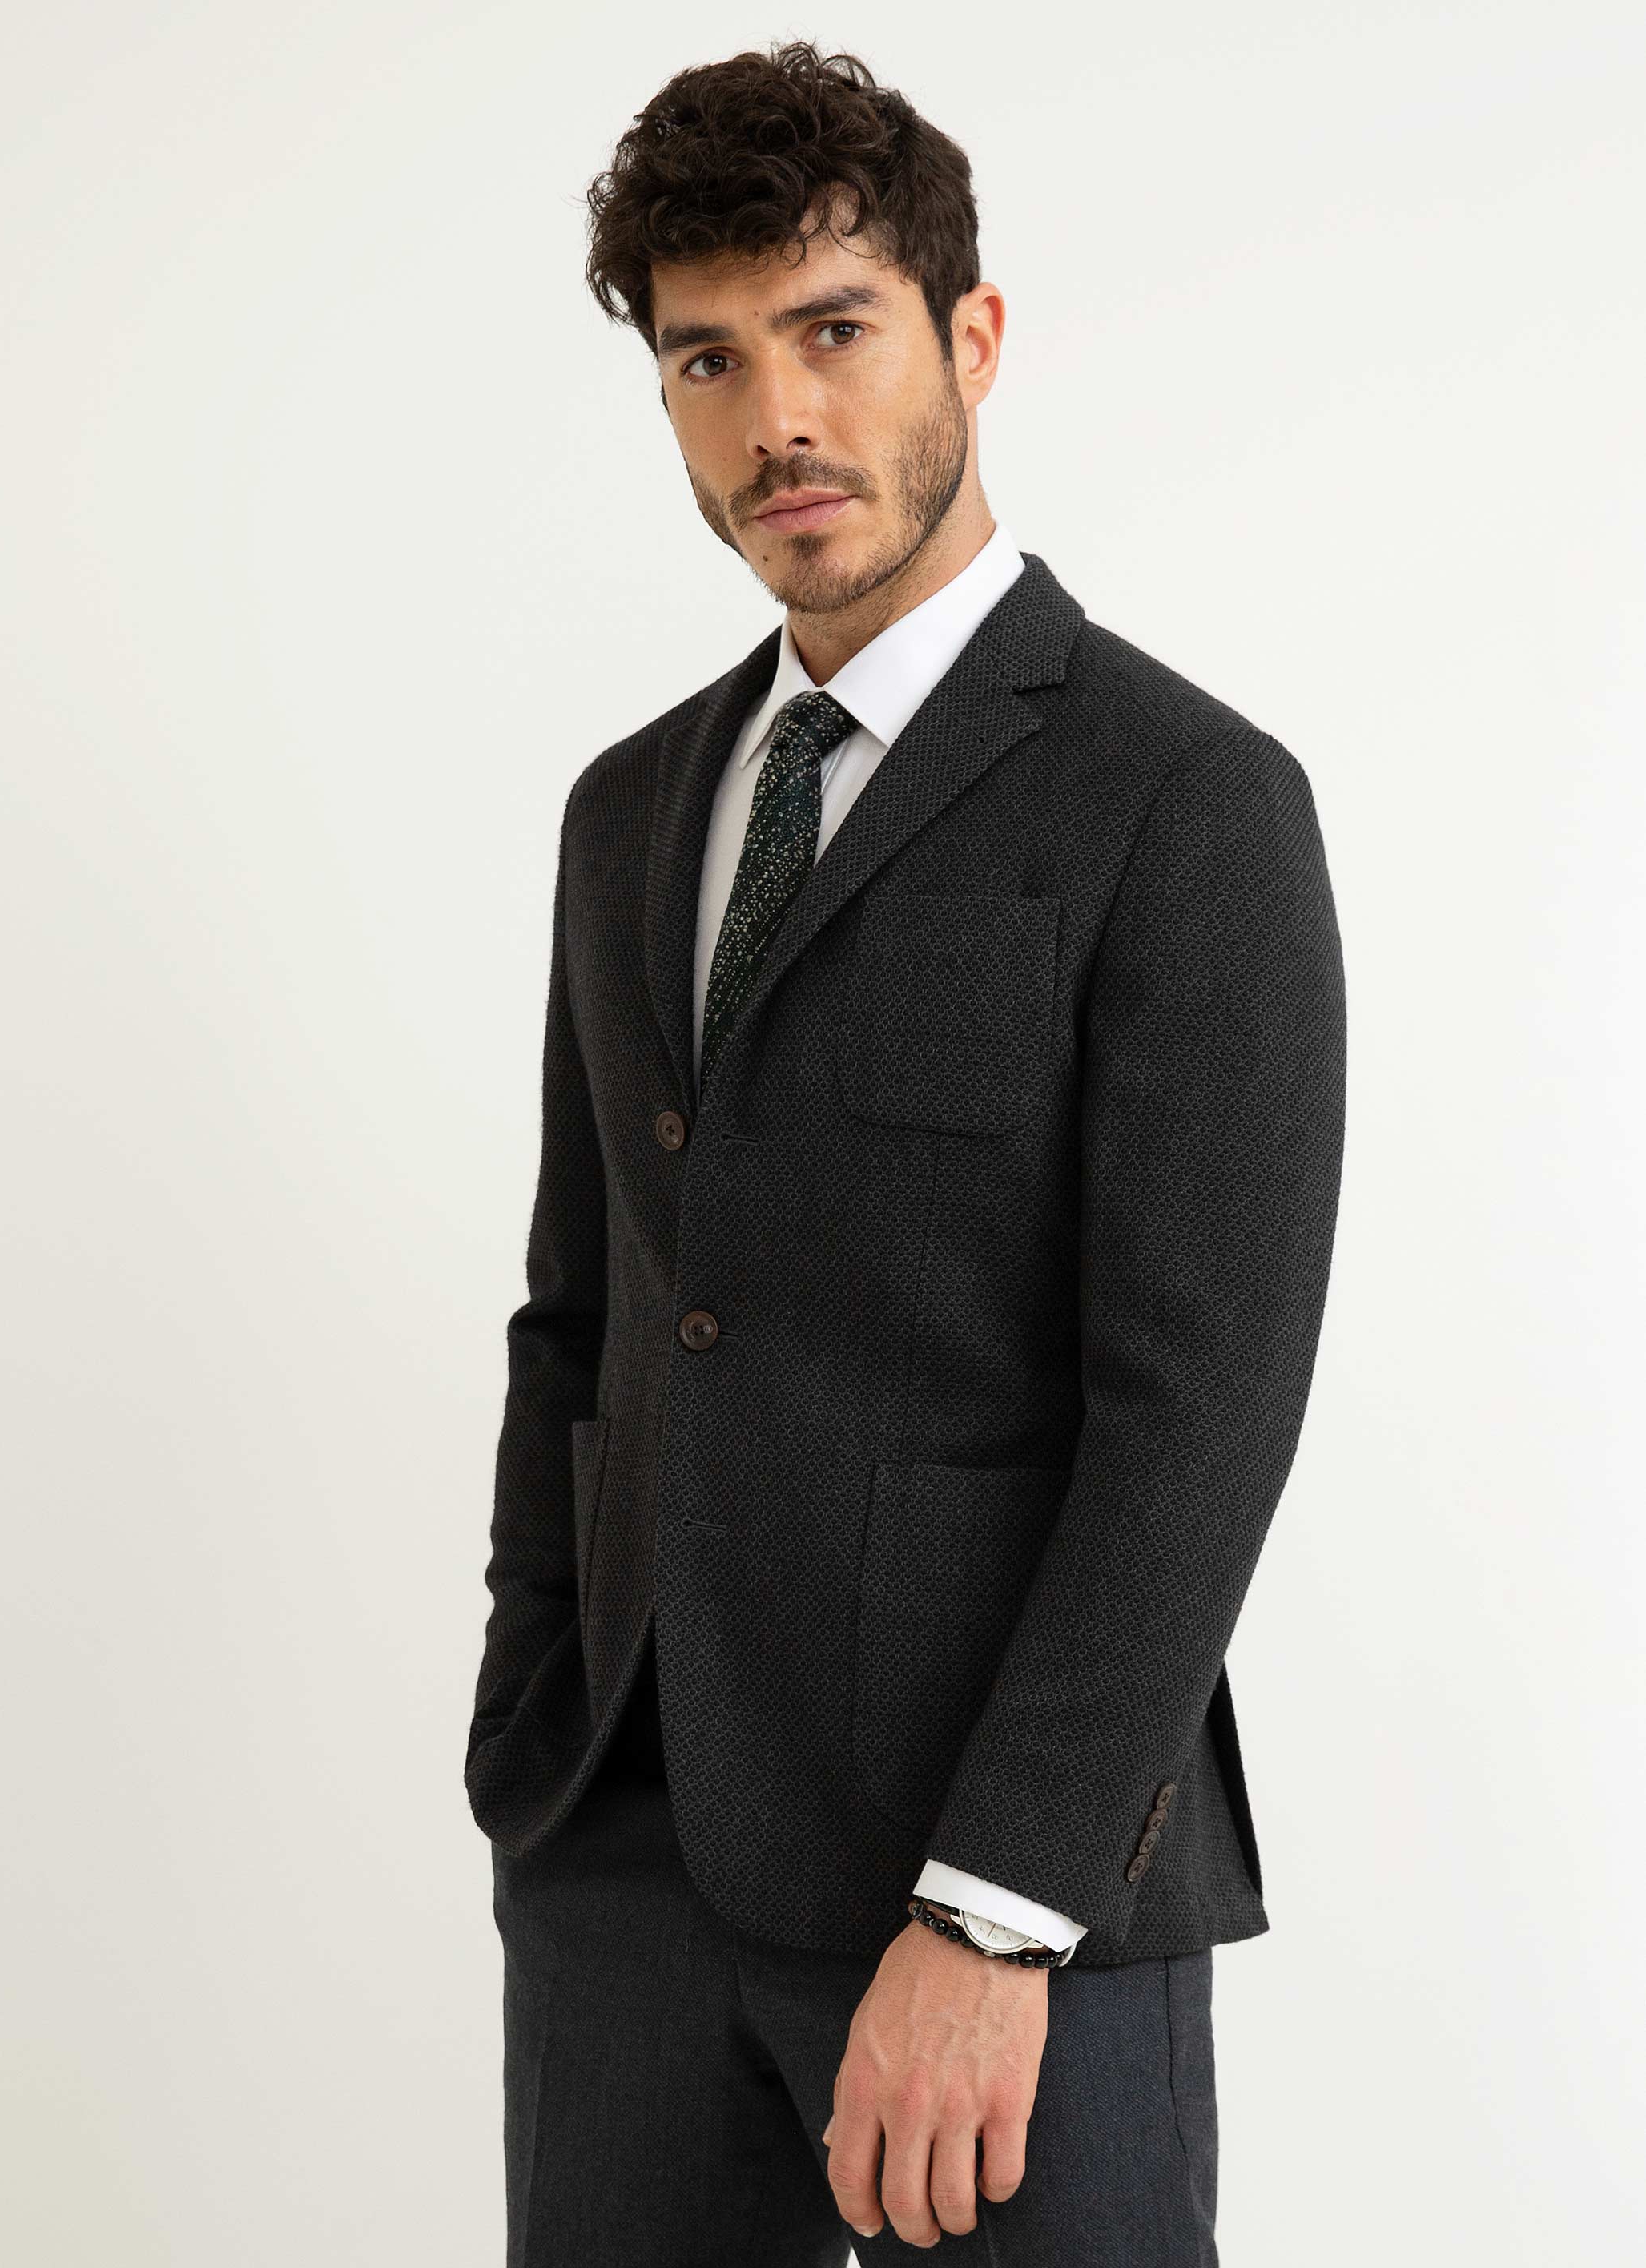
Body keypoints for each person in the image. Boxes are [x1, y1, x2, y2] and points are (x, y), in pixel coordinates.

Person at [465, 38, 1346, 2266]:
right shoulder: (630, 811)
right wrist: (533, 1727)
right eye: (707, 359)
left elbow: (1199, 1413)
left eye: (832, 330)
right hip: (630, 1868)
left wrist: (995, 1912)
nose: (776, 418)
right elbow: (587, 1311)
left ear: (971, 335)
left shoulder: (1183, 800)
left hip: (1006, 1907)